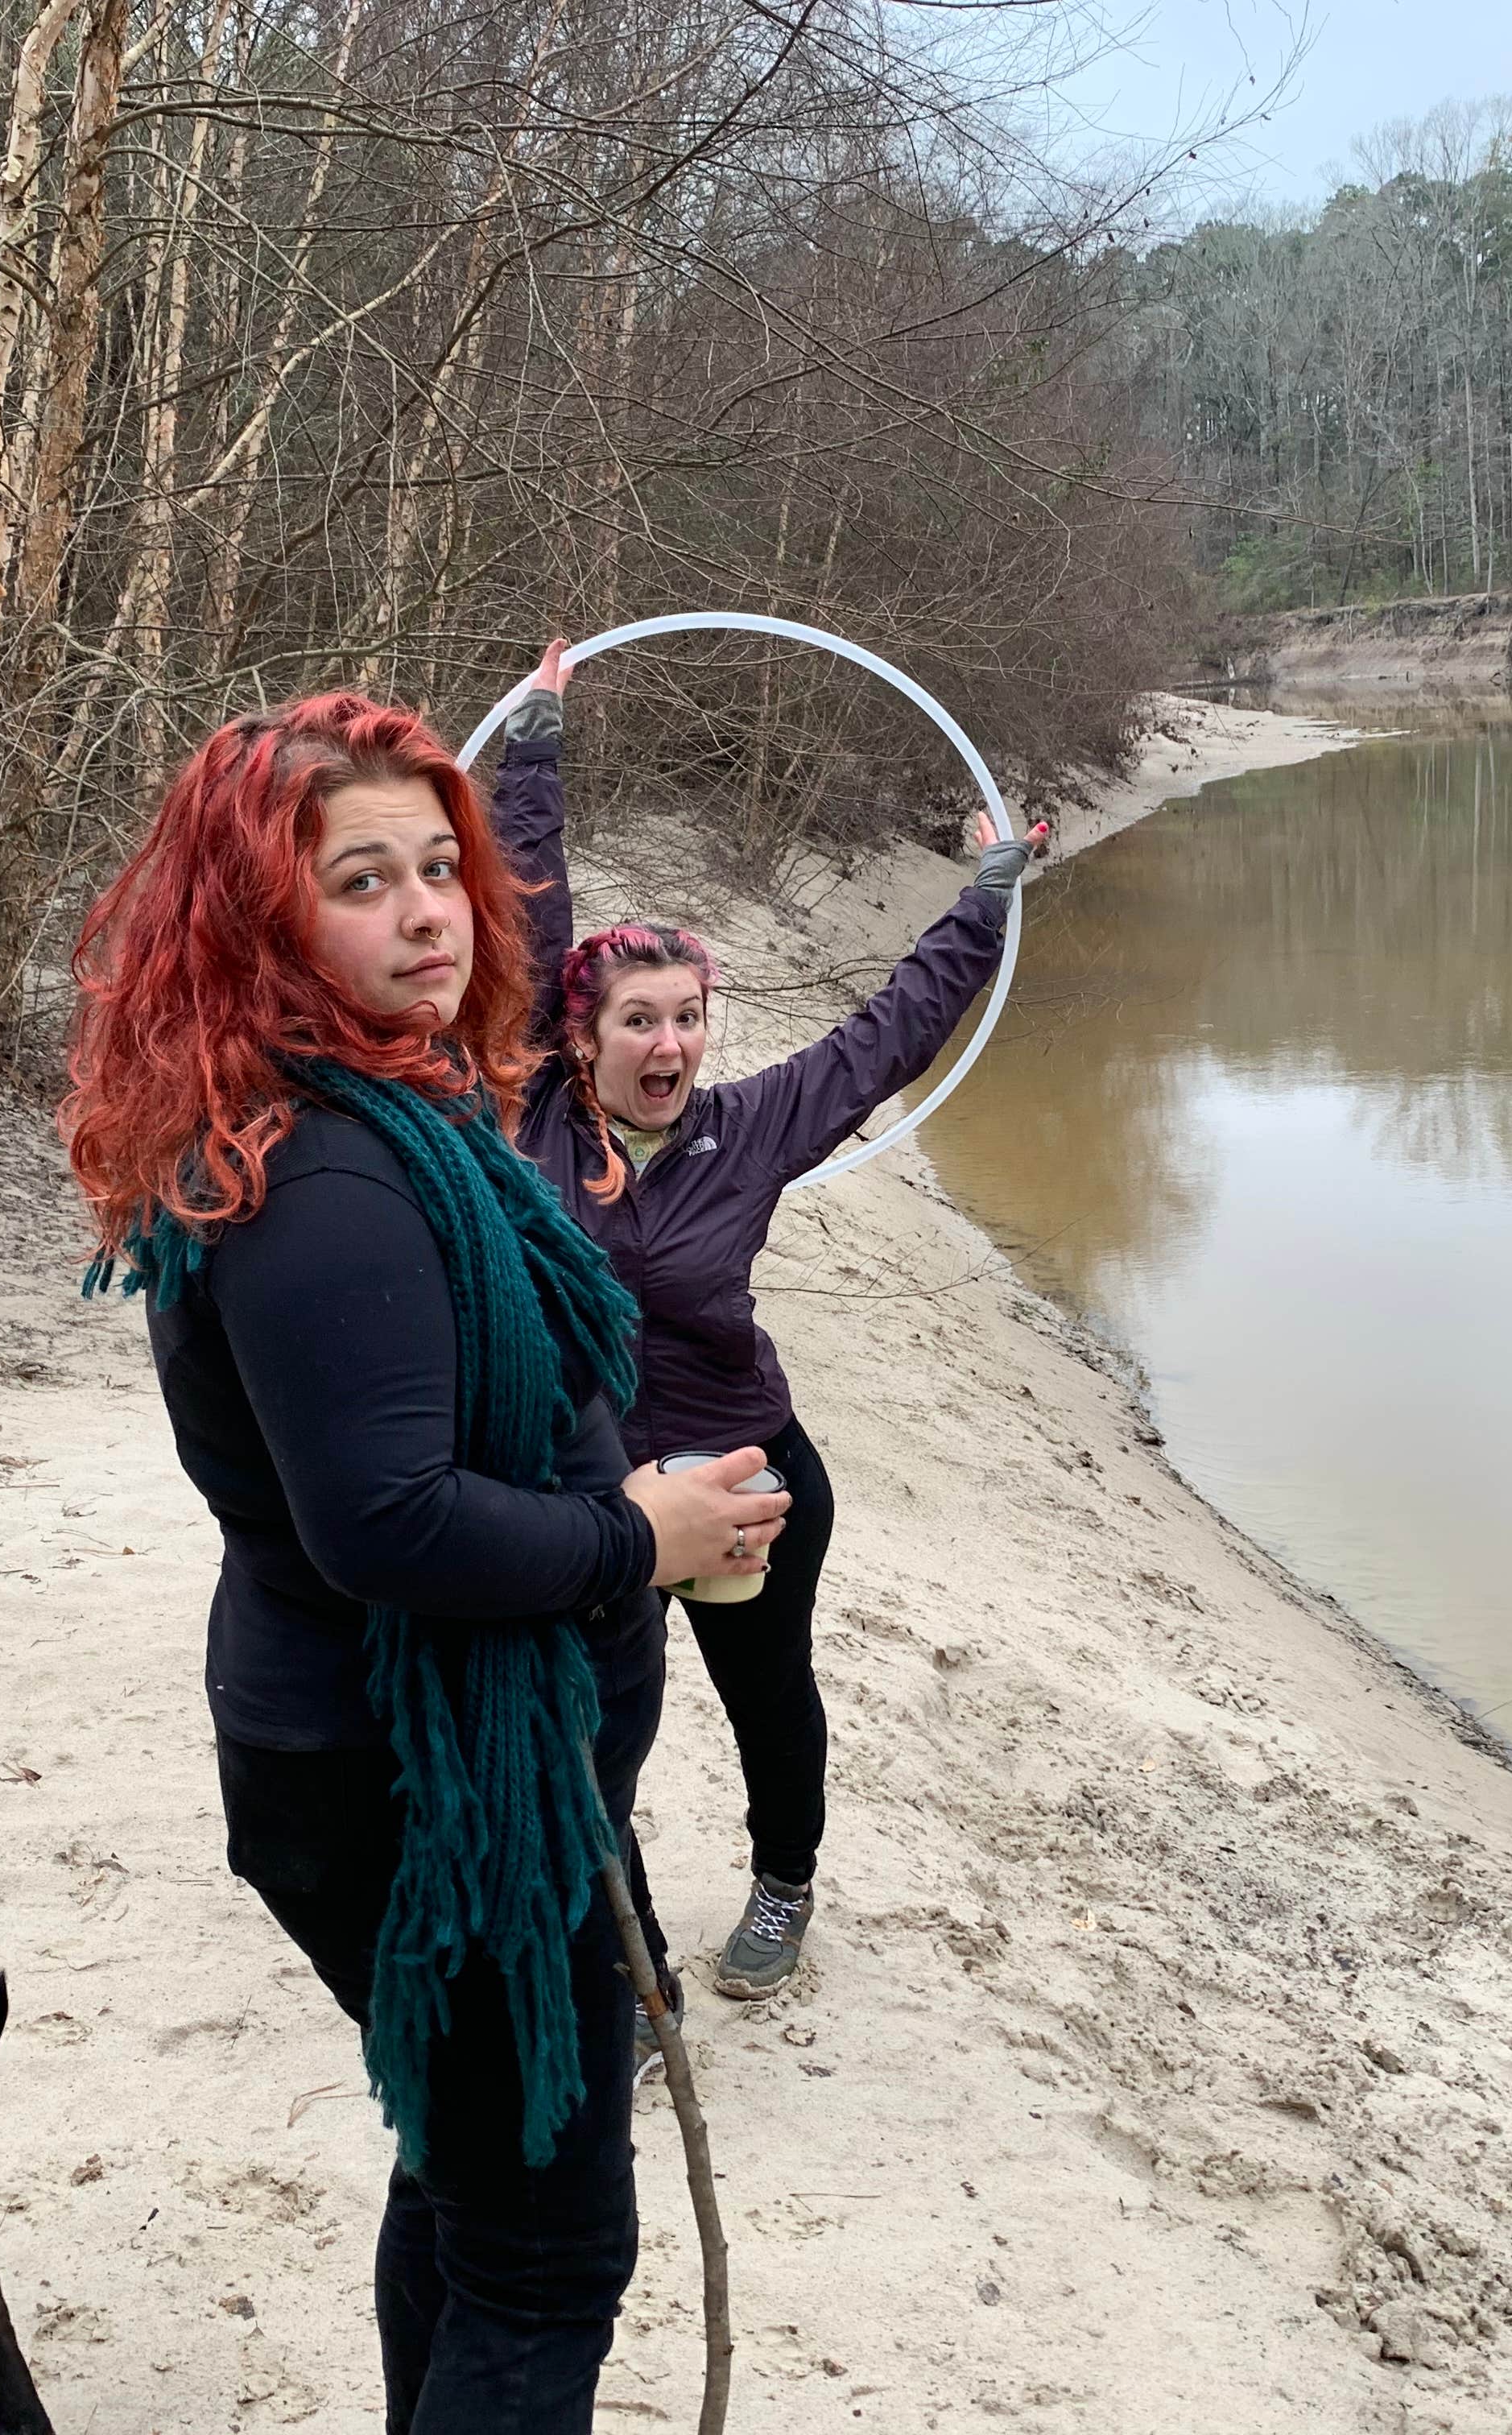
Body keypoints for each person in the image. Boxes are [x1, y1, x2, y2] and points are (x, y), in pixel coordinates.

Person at [60, 692, 791, 2434]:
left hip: (438, 1764)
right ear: (256, 918)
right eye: (361, 880)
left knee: (464, 2185)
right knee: (544, 2259)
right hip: (417, 1783)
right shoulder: (325, 1173)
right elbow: (383, 1522)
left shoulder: (387, 1105)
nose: (428, 912)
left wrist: (617, 1498)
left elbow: (437, 1443)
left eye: (438, 868)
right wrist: (640, 1533)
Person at [485, 639, 1033, 2011]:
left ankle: (784, 1882)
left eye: (690, 1018)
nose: (671, 1046)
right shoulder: (530, 1116)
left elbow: (890, 1032)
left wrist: (988, 896)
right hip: (589, 1482)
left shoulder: (753, 1128)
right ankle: (630, 1960)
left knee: (764, 1695)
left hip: (748, 1475)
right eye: (640, 1022)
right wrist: (537, 749)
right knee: (589, 1730)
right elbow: (527, 919)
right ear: (583, 1034)